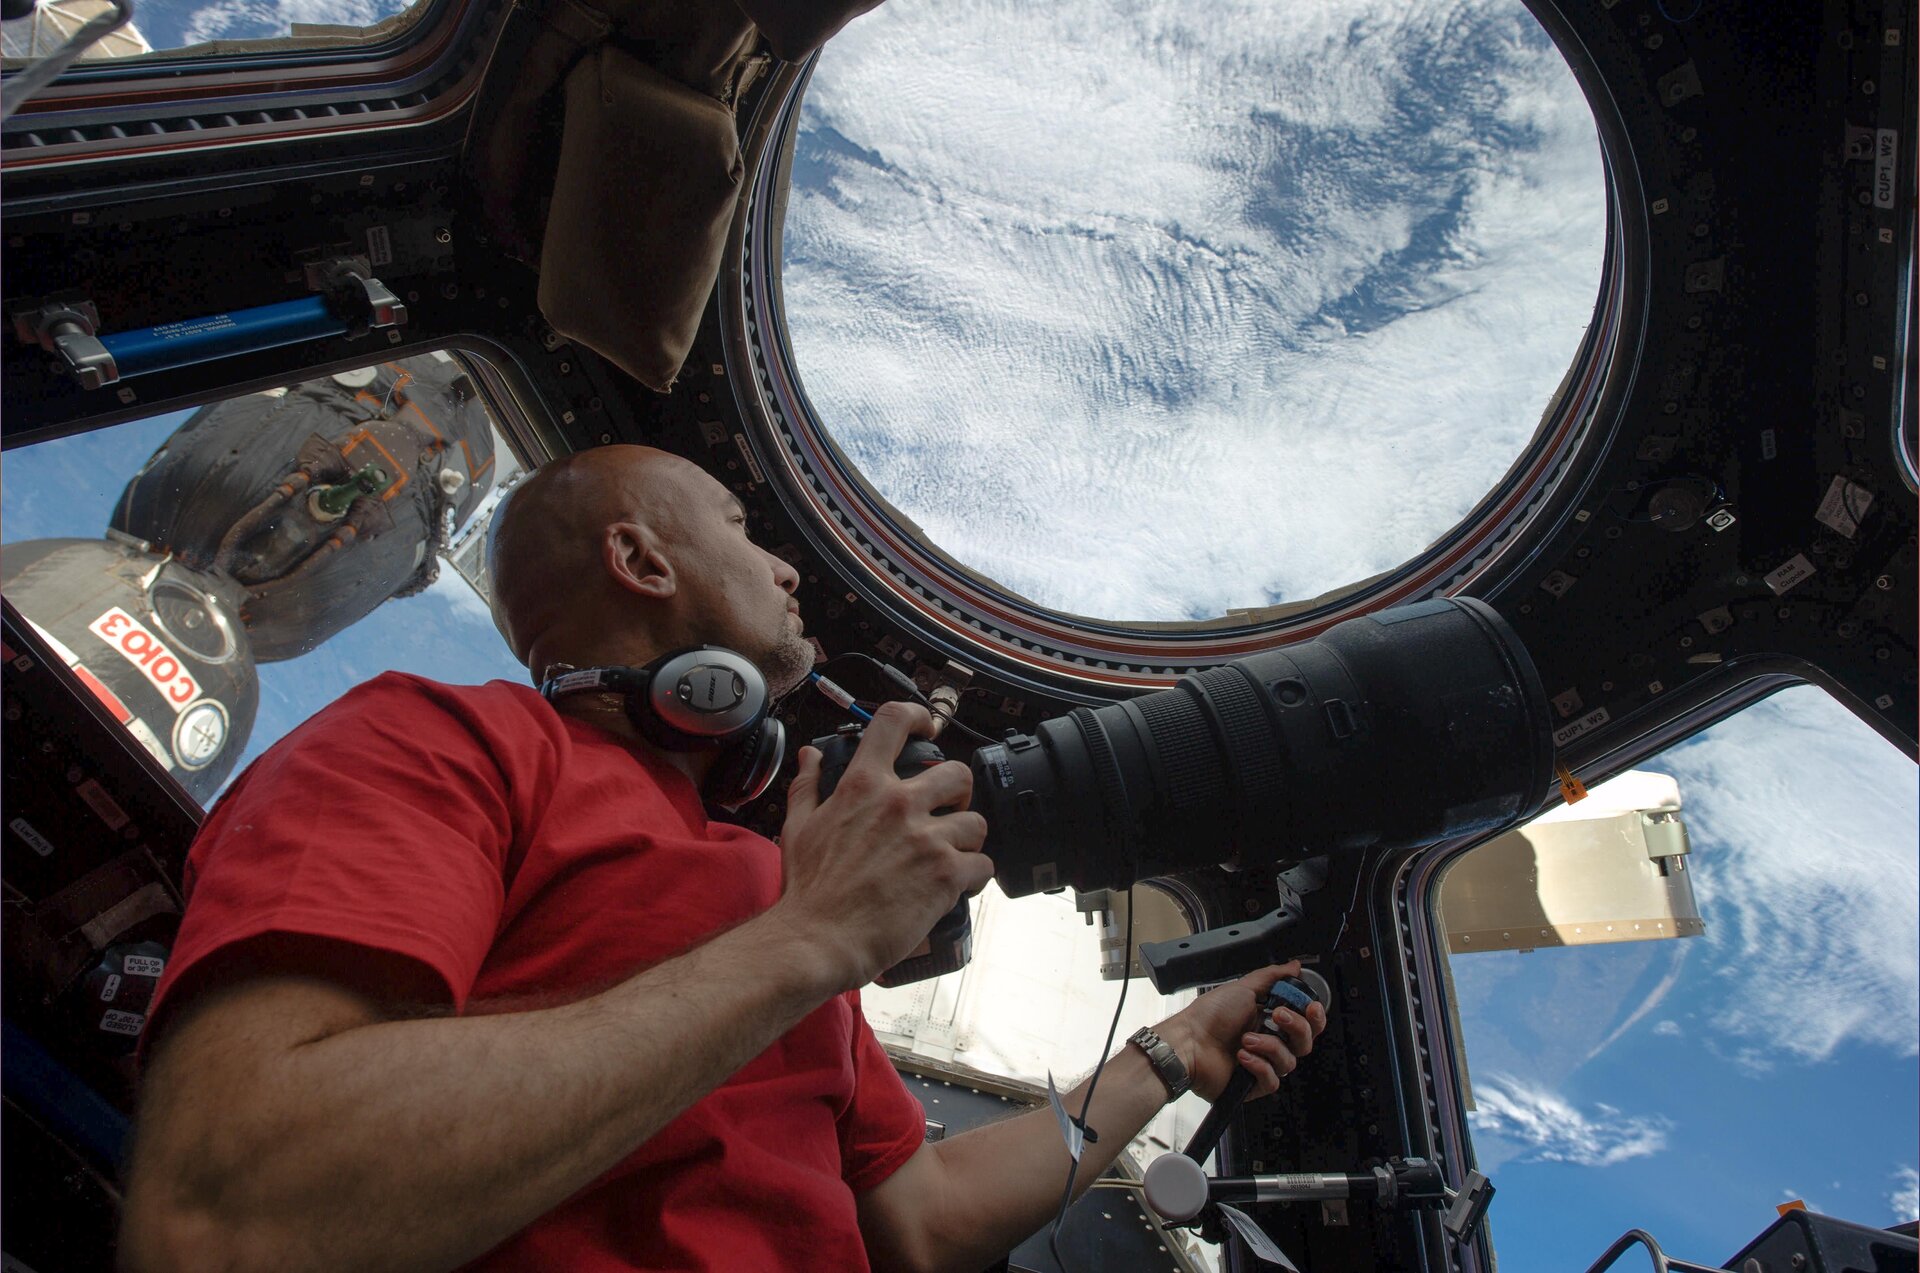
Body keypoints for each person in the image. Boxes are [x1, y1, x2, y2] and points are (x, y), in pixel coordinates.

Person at [118, 444, 1328, 1273]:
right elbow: (229, 1213)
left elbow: (924, 1217)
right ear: (642, 563)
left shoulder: (770, 899)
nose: (791, 567)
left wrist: (1172, 1054)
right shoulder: (444, 740)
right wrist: (811, 940)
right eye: (747, 531)